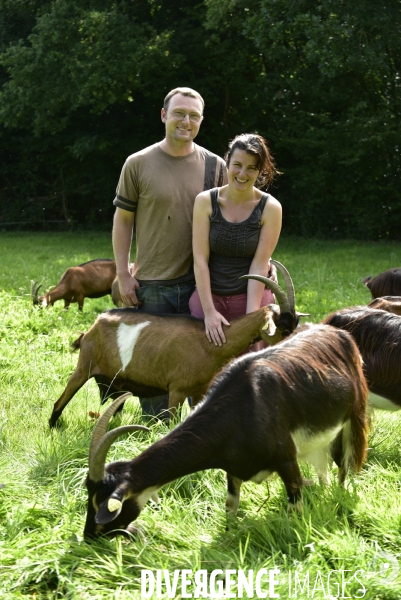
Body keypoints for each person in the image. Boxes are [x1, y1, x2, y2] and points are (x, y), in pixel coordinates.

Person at [112, 87, 227, 419]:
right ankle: (152, 441)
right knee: (156, 391)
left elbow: (235, 220)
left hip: (201, 288)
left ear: (201, 121)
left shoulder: (216, 167)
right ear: (164, 115)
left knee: (202, 378)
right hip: (152, 287)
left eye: (193, 115)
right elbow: (123, 221)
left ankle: (197, 442)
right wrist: (122, 274)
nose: (185, 121)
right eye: (179, 113)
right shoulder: (137, 163)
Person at [189, 133, 282, 348]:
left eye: (251, 168)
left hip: (251, 296)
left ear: (260, 171)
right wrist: (210, 312)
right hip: (210, 295)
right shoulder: (205, 202)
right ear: (227, 163)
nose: (243, 173)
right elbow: (200, 260)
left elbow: (259, 265)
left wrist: (250, 322)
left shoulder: (270, 208)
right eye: (237, 165)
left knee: (251, 361)